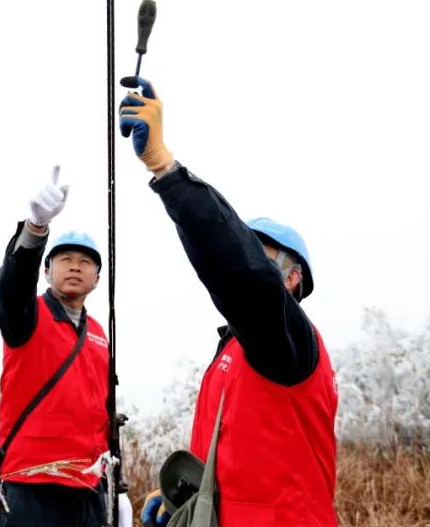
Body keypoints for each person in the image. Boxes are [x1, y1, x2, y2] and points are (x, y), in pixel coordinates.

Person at [119, 78, 338, 527]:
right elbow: (240, 446)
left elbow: (242, 271)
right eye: (248, 245)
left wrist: (165, 168)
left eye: (264, 252)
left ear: (293, 278)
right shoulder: (234, 350)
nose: (251, 256)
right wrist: (189, 492)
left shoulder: (287, 340)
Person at [0, 165, 111, 527]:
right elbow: (9, 289)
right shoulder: (26, 315)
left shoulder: (100, 334)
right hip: (31, 484)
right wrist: (35, 229)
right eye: (65, 260)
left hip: (87, 486)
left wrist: (110, 483)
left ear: (97, 278)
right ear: (46, 270)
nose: (75, 267)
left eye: (85, 262)